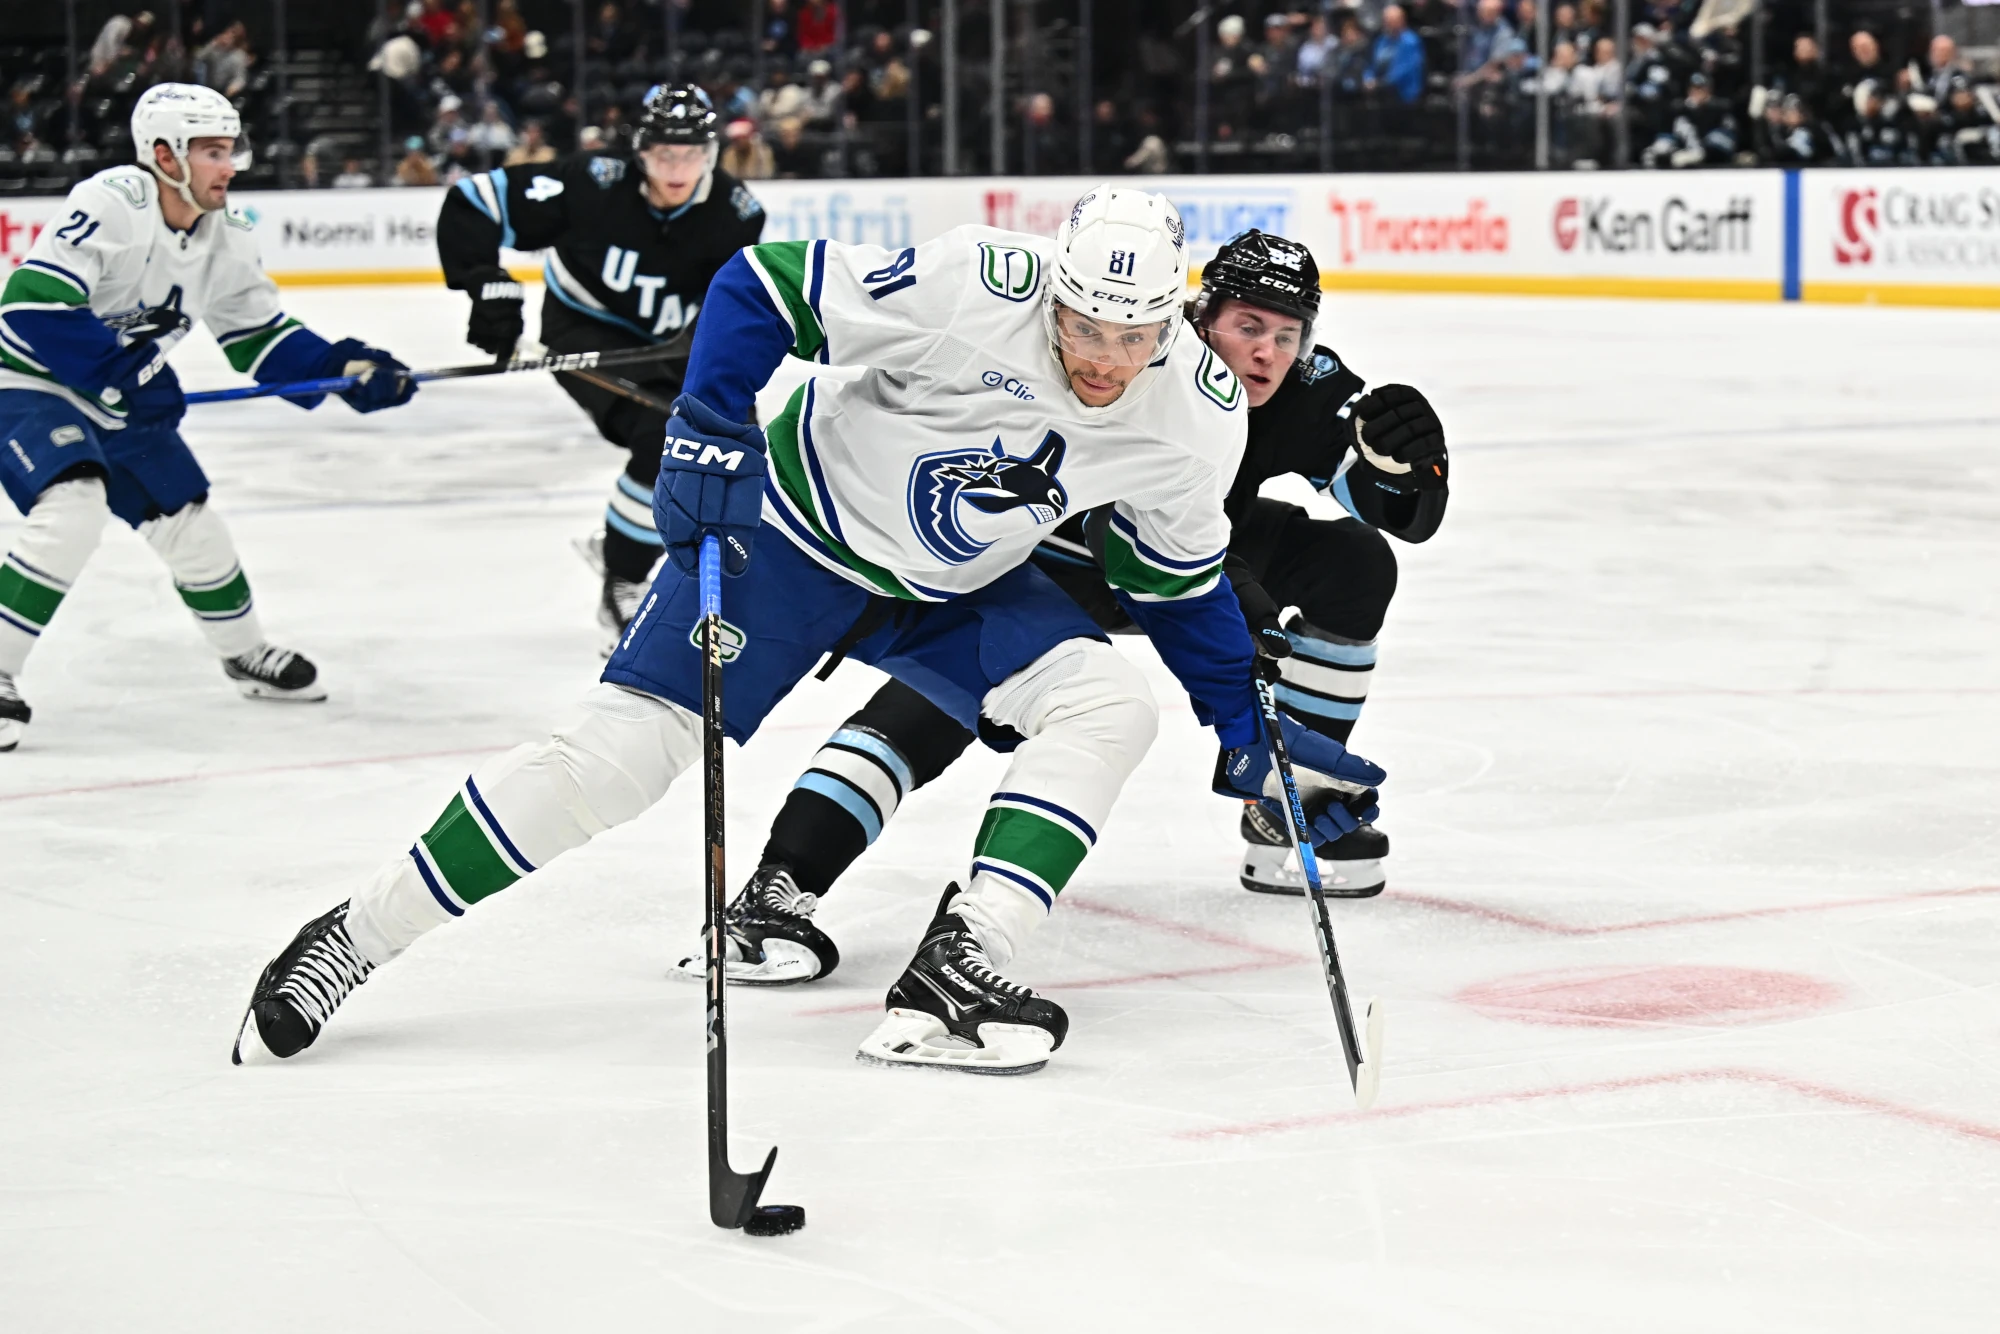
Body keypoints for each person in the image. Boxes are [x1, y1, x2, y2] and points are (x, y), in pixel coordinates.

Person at [232, 189, 1388, 1077]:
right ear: (1054, 294)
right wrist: (707, 424)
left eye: (1127, 343)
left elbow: (1172, 581)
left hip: (949, 585)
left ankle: (960, 961)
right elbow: (759, 285)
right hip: (792, 528)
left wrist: (1242, 725)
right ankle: (355, 933)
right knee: (616, 762)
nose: (1098, 362)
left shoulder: (1196, 410)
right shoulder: (975, 279)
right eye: (1081, 328)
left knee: (1108, 701)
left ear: (1169, 325)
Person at [696, 227, 1448, 986]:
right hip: (1046, 550)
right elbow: (1109, 523)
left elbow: (1408, 514)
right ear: (1196, 314)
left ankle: (1285, 801)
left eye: (1287, 336)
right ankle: (784, 879)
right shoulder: (1137, 357)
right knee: (937, 703)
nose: (1266, 353)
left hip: (1185, 555)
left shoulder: (1306, 385)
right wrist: (1235, 592)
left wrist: (1415, 462)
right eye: (1247, 326)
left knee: (1356, 562)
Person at [0, 84, 417, 753]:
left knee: (189, 524)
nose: (231, 166)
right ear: (163, 154)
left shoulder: (228, 234)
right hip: (26, 381)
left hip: (115, 395)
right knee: (73, 505)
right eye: (213, 152)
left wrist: (345, 370)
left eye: (232, 149)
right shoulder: (112, 202)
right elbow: (32, 307)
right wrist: (131, 375)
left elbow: (257, 336)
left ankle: (244, 654)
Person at [437, 85, 766, 652]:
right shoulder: (592, 182)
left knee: (733, 446)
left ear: (711, 154)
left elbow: (730, 302)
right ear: (640, 151)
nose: (677, 168)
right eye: (665, 154)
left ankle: (683, 558)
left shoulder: (737, 214)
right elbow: (474, 201)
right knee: (662, 437)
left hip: (670, 344)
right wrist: (485, 282)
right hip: (584, 331)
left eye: (691, 154)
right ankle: (625, 572)